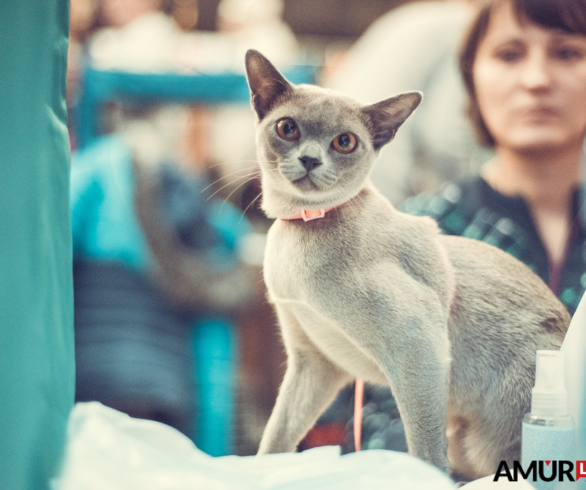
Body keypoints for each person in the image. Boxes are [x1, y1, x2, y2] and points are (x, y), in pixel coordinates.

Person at [349, 0, 586, 456]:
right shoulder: (415, 233)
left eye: (567, 54)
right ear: (470, 77)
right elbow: (377, 434)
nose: (537, 79)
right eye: (509, 54)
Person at [326, 0, 482, 206]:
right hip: (379, 191)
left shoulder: (413, 17)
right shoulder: (461, 28)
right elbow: (446, 138)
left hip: (333, 174)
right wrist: (474, 203)